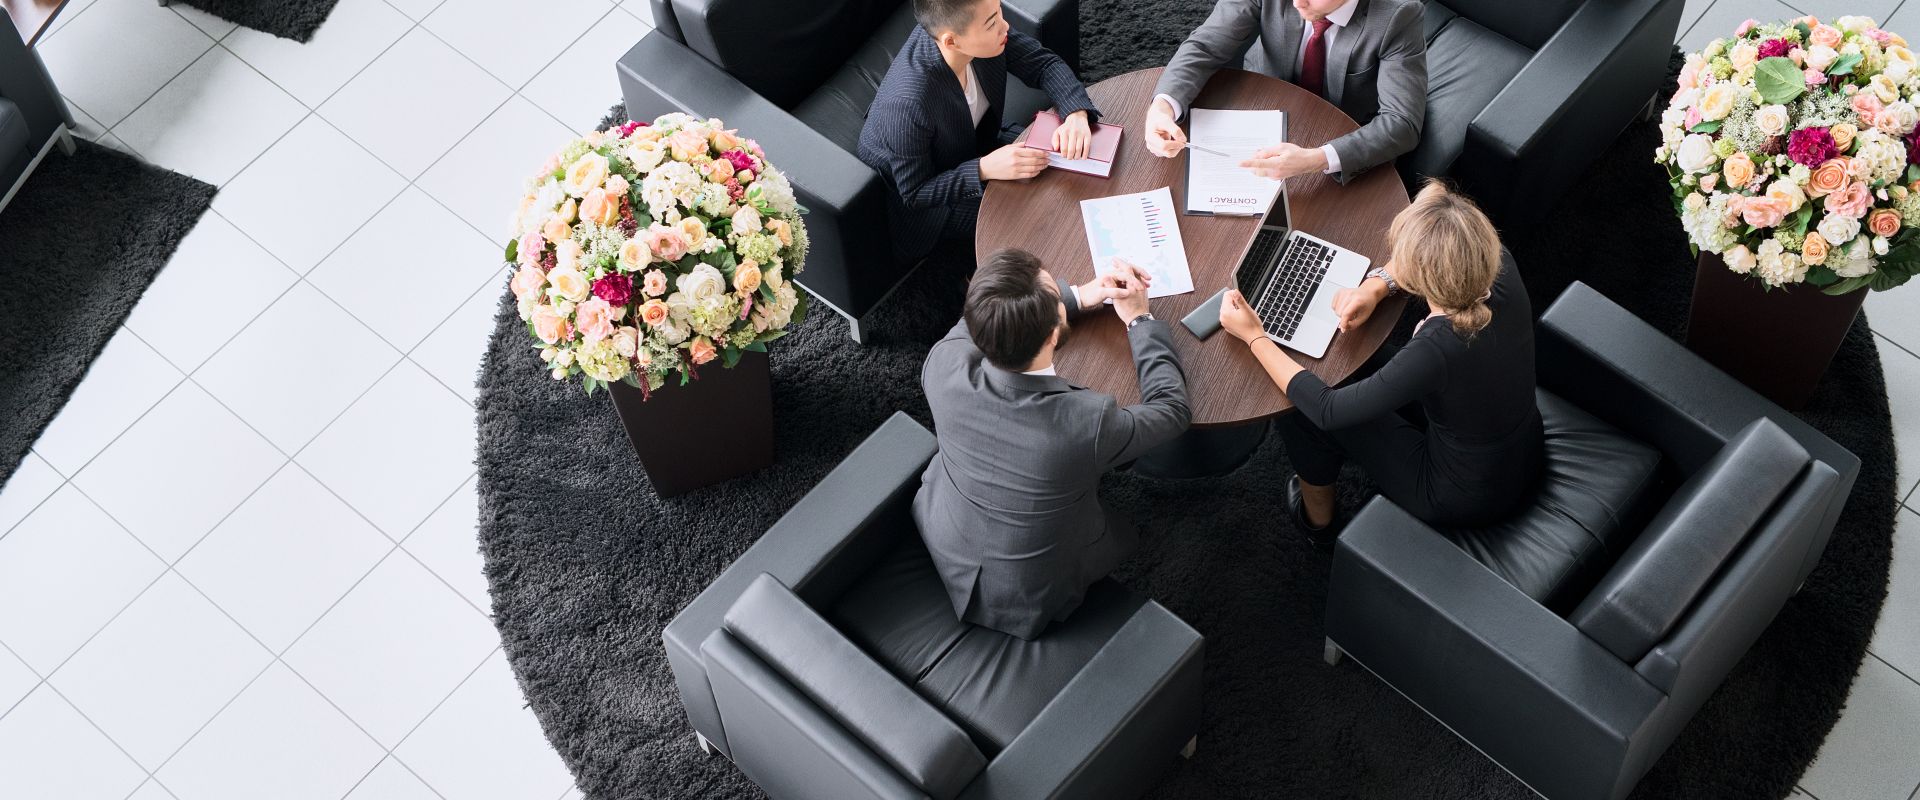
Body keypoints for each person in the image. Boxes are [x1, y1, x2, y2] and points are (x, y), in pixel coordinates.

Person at [1219, 181, 1539, 545]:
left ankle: (1317, 524)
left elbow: (1329, 410)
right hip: (1518, 445)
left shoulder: (1438, 347)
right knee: (1344, 369)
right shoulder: (1497, 264)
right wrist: (1375, 287)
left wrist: (1254, 336)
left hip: (1464, 493)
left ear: (1426, 279)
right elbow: (1415, 265)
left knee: (1301, 411)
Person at [915, 249, 1189, 639]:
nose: (1060, 295)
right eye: (1055, 298)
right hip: (1027, 595)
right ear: (1052, 334)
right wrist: (1139, 319)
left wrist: (1080, 295)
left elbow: (985, 315)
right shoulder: (1083, 424)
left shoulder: (941, 363)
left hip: (947, 536)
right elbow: (1173, 410)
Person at [859, 0, 1101, 262]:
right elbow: (916, 193)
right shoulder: (908, 106)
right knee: (1043, 210)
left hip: (979, 142)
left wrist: (1075, 114)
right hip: (937, 197)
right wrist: (983, 168)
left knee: (1072, 172)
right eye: (992, 22)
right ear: (951, 42)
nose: (1005, 25)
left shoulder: (985, 32)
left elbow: (1043, 64)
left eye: (999, 12)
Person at [1143, 0, 1426, 183]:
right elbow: (1206, 44)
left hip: (1337, 129)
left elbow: (1402, 123)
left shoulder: (1399, 15)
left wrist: (1316, 160)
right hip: (1264, 95)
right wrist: (1163, 107)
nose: (1296, 2)